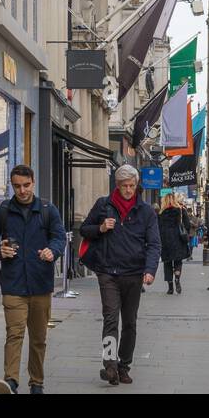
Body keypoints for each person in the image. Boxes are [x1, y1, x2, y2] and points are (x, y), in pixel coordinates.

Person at [0, 164, 66, 395]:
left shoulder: (48, 210)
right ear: (12, 185)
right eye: (17, 186)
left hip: (40, 283)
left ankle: (36, 382)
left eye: (26, 185)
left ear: (33, 183)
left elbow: (60, 237)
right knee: (14, 334)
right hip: (13, 284)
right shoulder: (3, 211)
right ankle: (11, 381)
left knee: (39, 338)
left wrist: (52, 250)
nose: (22, 191)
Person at [79, 164, 160, 386]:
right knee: (110, 319)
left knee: (130, 323)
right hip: (108, 272)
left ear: (136, 186)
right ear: (117, 185)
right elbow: (84, 230)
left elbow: (154, 244)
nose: (128, 190)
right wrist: (101, 228)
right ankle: (110, 365)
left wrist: (150, 270)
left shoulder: (146, 212)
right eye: (124, 186)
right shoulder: (103, 205)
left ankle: (124, 366)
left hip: (134, 274)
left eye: (132, 186)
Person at [157, 193, 192, 294]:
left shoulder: (161, 213)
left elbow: (158, 228)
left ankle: (170, 287)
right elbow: (188, 225)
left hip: (165, 240)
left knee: (167, 263)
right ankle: (177, 278)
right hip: (178, 239)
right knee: (178, 261)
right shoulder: (180, 210)